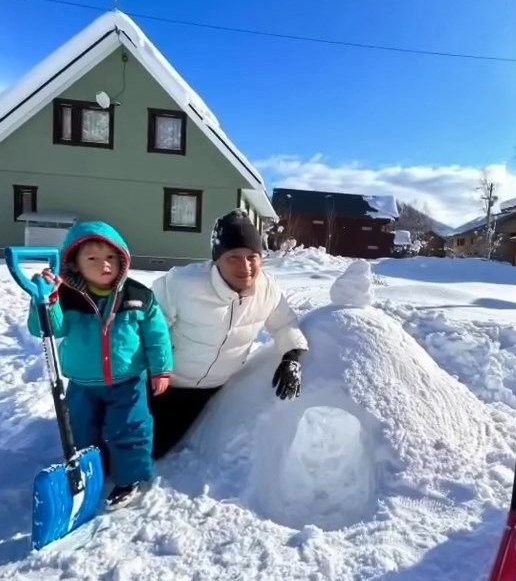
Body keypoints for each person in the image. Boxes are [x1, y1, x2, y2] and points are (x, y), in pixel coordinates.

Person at [28, 221, 173, 508]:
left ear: (122, 260)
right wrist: (45, 301)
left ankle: (129, 477)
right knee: (81, 427)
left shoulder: (138, 296)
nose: (103, 264)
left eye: (110, 257)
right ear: (75, 264)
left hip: (128, 379)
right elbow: (48, 328)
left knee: (131, 428)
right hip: (83, 382)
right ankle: (86, 471)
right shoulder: (66, 297)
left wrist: (161, 369)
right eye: (92, 258)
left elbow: (157, 335)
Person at [150, 210, 309, 459]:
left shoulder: (267, 290)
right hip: (162, 382)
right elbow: (147, 328)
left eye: (252, 257)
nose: (245, 266)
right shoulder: (182, 284)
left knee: (152, 449)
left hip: (204, 392)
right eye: (233, 257)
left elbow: (285, 324)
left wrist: (292, 356)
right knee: (114, 437)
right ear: (216, 260)